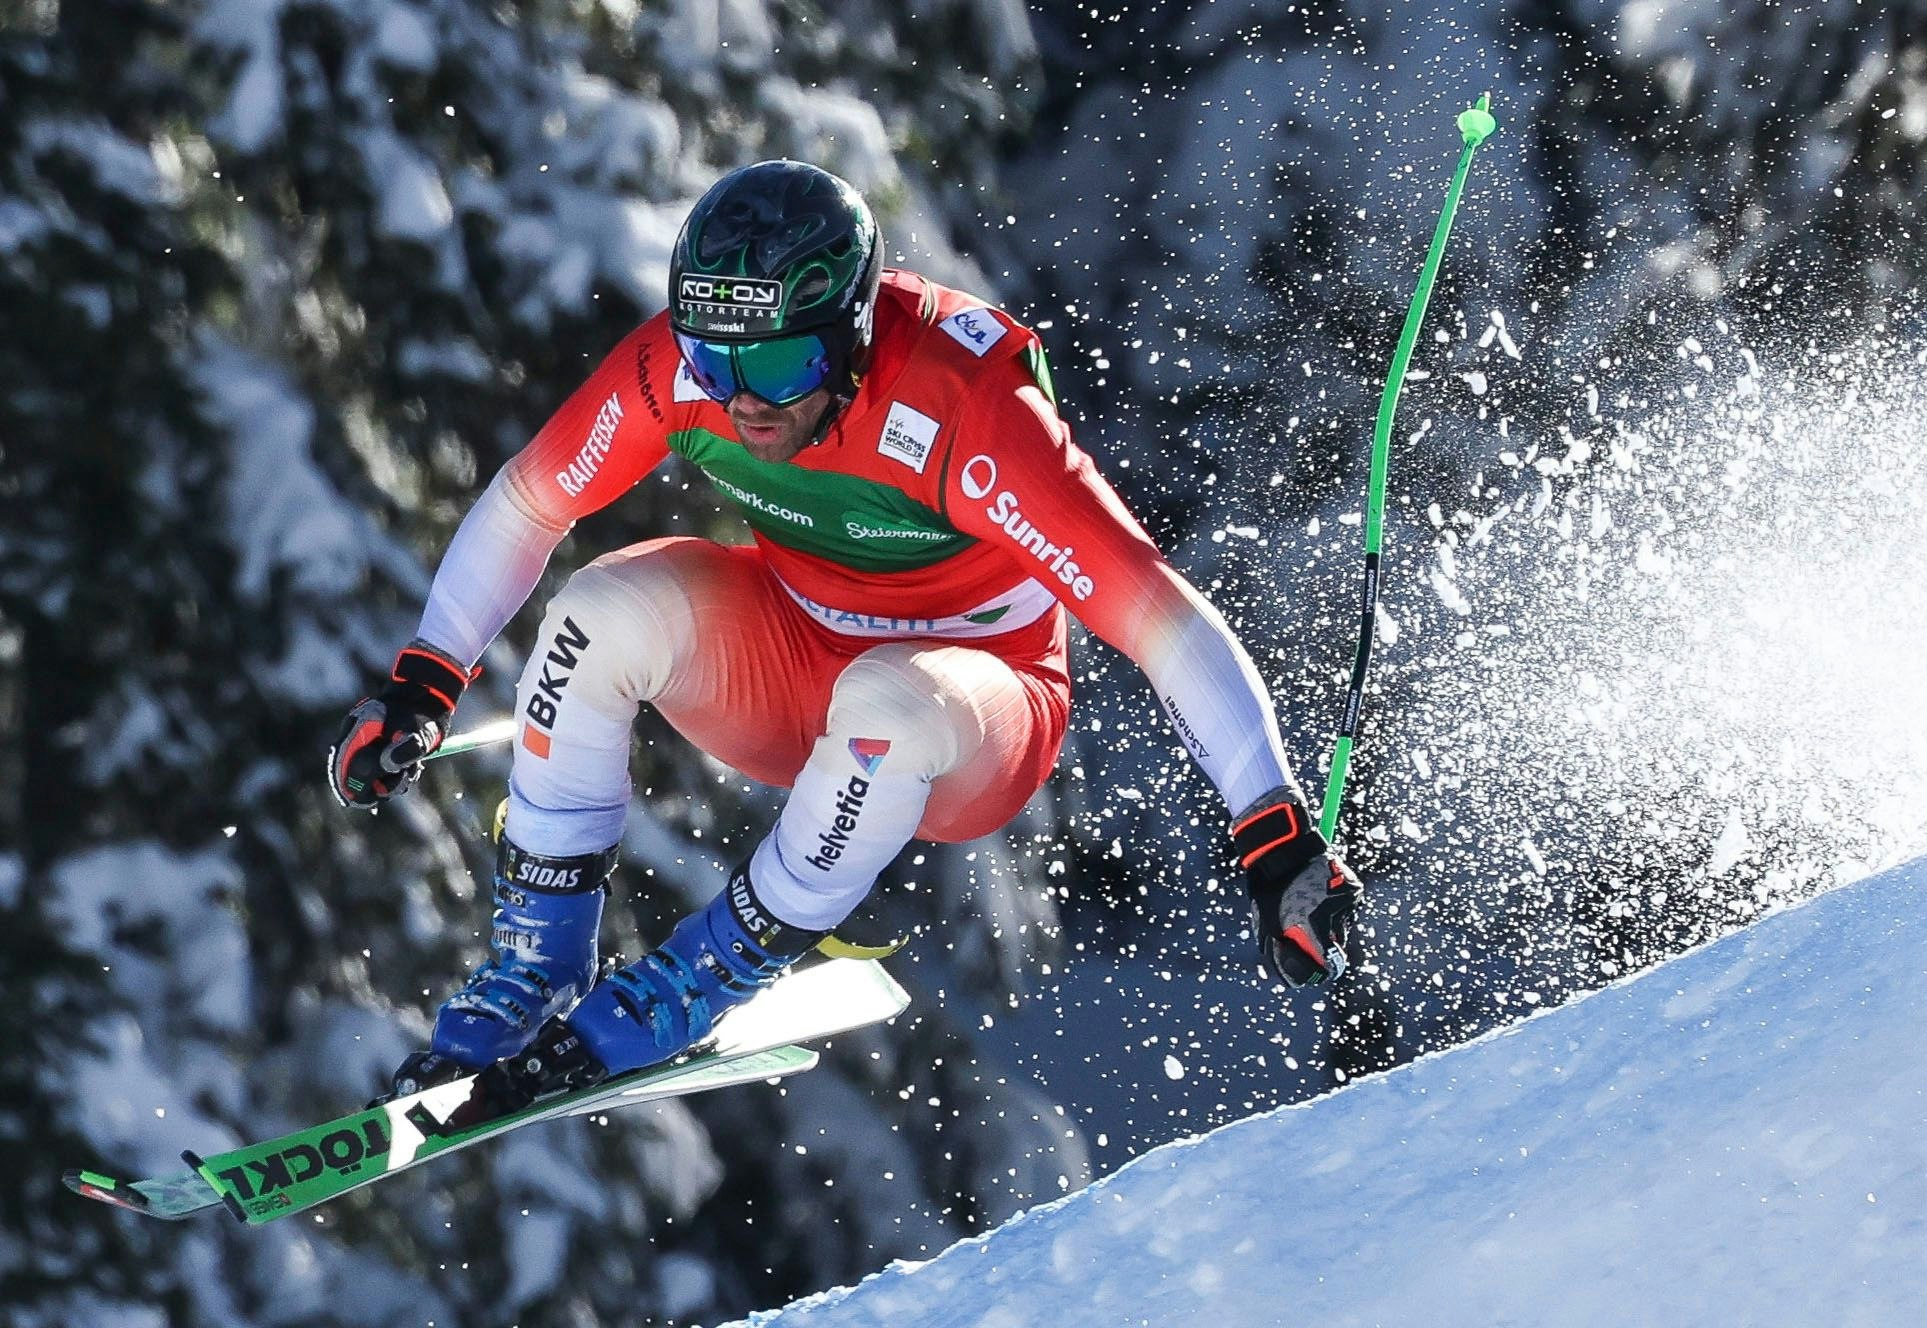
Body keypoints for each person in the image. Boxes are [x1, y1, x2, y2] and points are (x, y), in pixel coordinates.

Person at [328, 160, 1361, 1101]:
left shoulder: (964, 403)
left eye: (780, 368)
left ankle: (712, 968)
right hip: (793, 656)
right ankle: (534, 965)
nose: (742, 402)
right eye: (714, 360)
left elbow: (1158, 617)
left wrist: (1268, 827)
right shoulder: (689, 373)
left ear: (854, 331)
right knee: (597, 610)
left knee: (888, 706)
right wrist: (424, 682)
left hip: (975, 709)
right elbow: (529, 502)